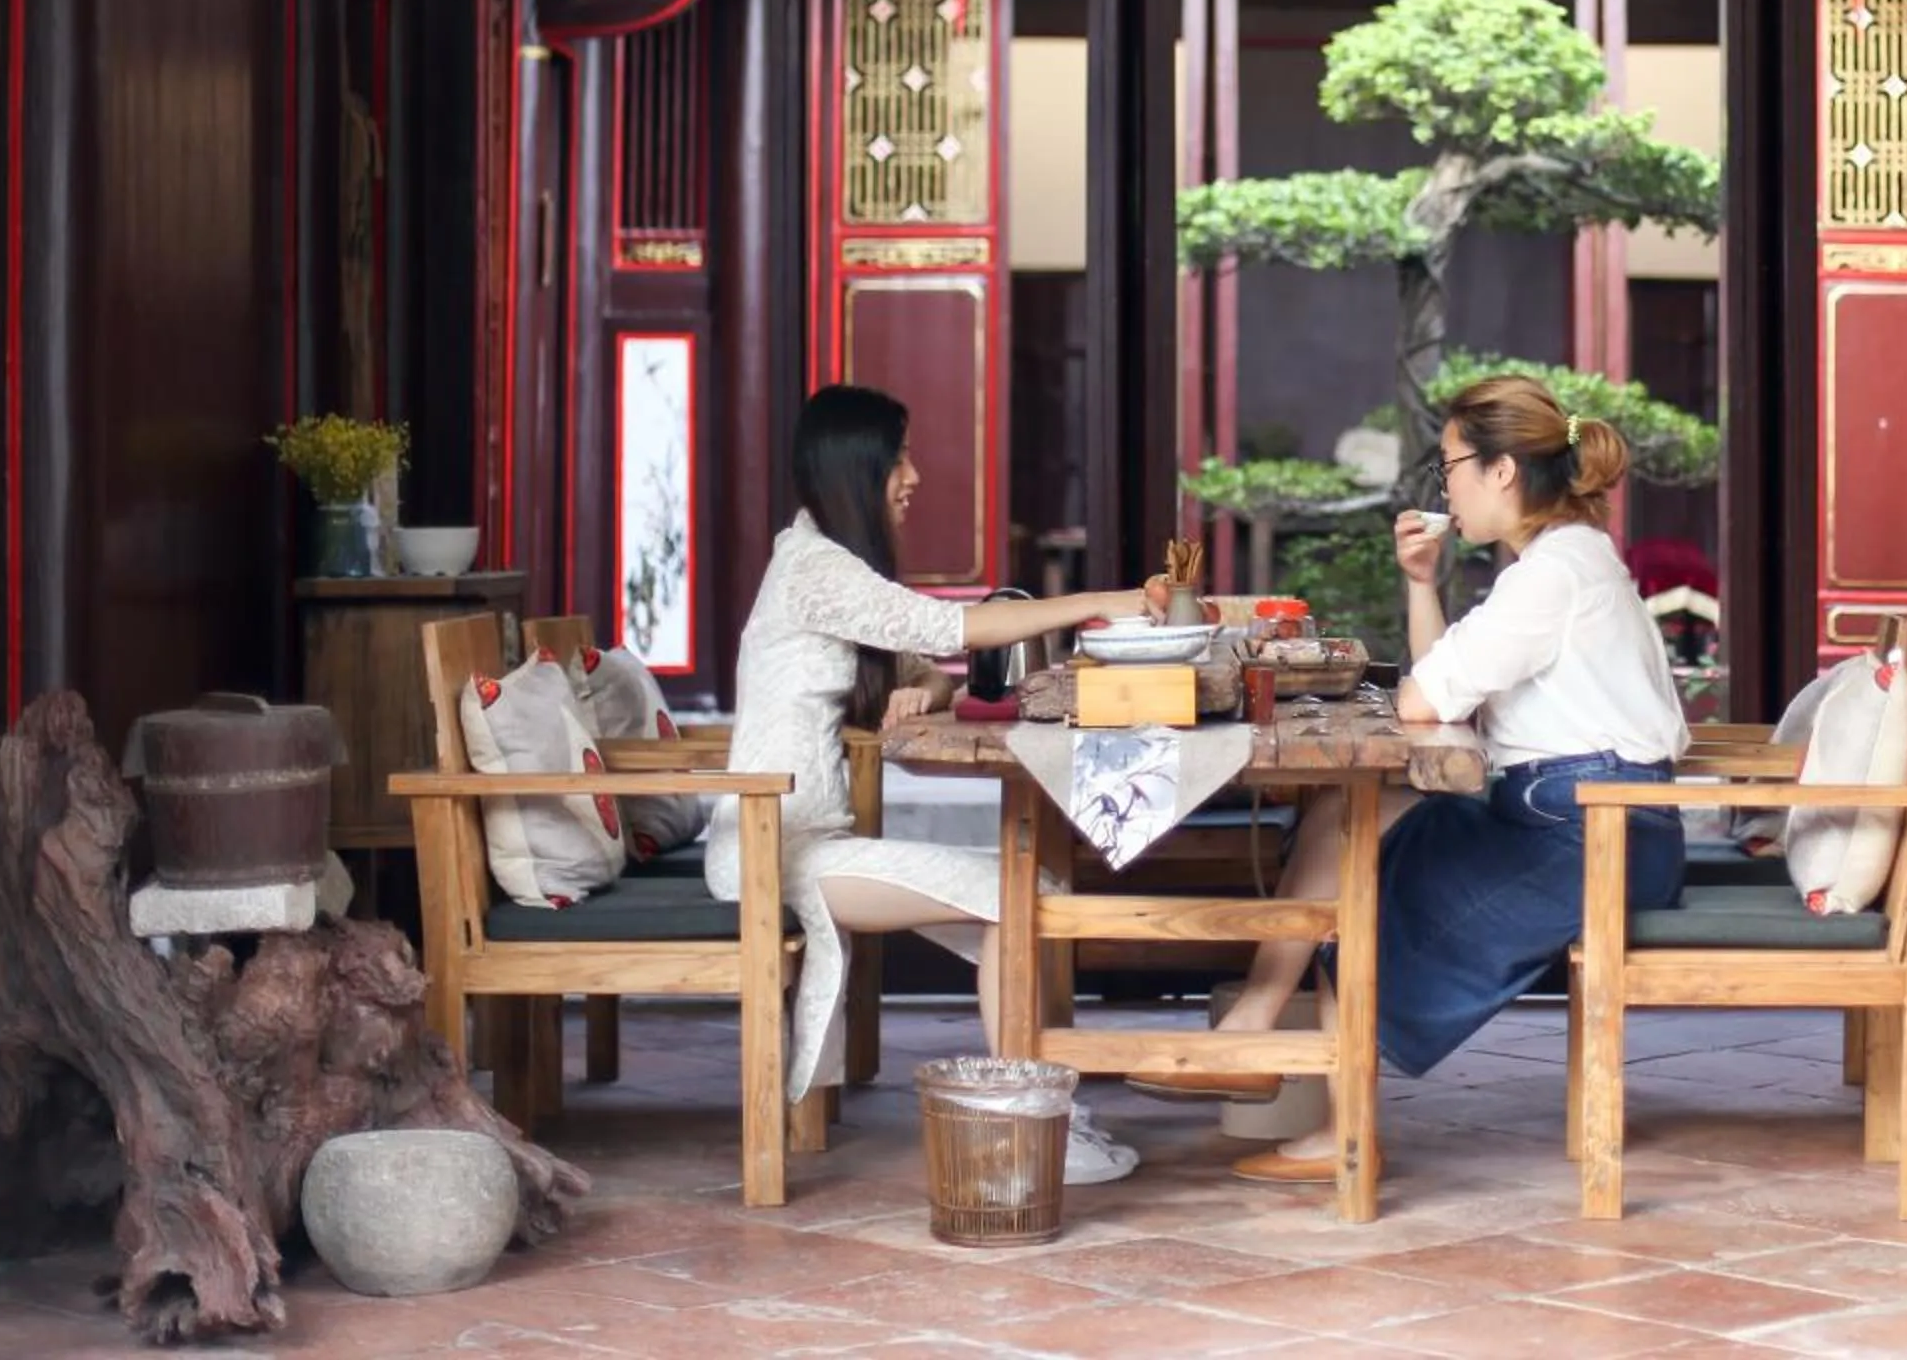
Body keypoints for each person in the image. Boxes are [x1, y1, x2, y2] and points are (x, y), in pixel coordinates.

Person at [1132, 374, 1692, 1182]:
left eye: (1452, 466)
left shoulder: (1554, 575)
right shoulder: (1562, 562)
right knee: (1342, 821)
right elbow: (1441, 697)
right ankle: (1270, 1048)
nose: (1447, 488)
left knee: (1367, 880)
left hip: (1592, 830)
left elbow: (1421, 698)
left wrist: (1425, 651)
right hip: (1575, 815)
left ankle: (1315, 1102)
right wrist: (1423, 581)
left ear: (1502, 471)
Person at [709, 382, 1174, 1184]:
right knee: (1019, 894)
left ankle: (1040, 1116)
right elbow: (952, 629)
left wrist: (924, 691)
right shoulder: (814, 568)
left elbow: (930, 665)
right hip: (771, 847)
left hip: (810, 840)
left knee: (1021, 894)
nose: (913, 475)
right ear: (858, 468)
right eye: (900, 457)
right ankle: (1030, 1122)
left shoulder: (828, 565)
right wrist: (1113, 602)